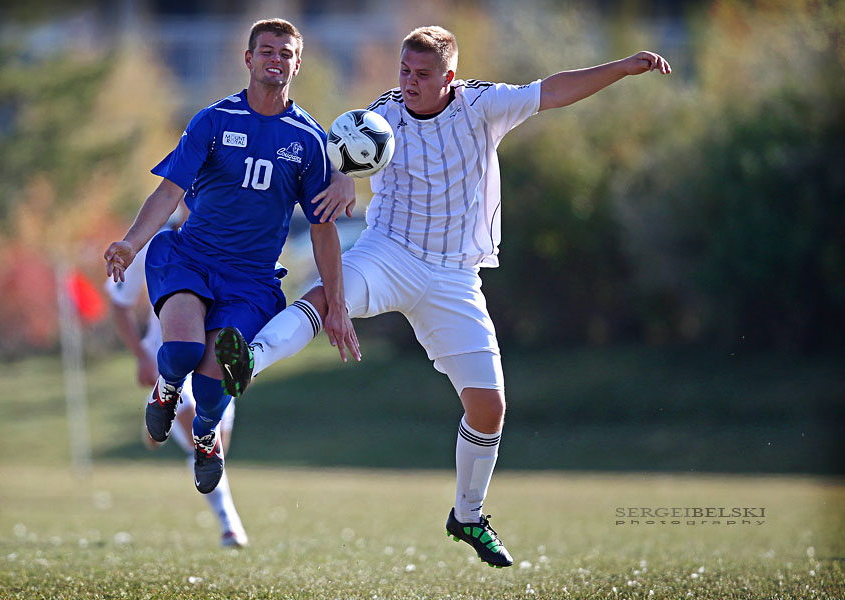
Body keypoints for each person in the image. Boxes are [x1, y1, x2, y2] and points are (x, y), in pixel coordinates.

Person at [218, 26, 671, 568]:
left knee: (489, 408)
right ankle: (249, 359)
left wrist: (620, 67)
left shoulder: (483, 105)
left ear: (449, 77)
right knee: (326, 297)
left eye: (423, 74)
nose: (409, 83)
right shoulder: (382, 115)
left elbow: (553, 89)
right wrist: (342, 180)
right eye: (404, 72)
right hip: (389, 253)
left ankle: (468, 516)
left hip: (455, 277)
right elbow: (337, 156)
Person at [104, 17, 357, 496]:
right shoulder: (214, 120)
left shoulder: (309, 141)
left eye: (285, 53)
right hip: (191, 259)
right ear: (248, 59)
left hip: (251, 280)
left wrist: (338, 307)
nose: (275, 59)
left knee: (215, 383)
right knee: (178, 351)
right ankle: (163, 390)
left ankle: (205, 436)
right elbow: (167, 192)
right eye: (266, 50)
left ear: (297, 64)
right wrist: (130, 243)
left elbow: (323, 233)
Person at [104, 210, 248, 548]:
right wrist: (141, 356)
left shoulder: (232, 236)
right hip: (167, 360)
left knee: (218, 444)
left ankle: (156, 421)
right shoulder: (157, 242)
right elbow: (118, 301)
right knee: (203, 438)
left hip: (214, 360)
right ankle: (230, 525)